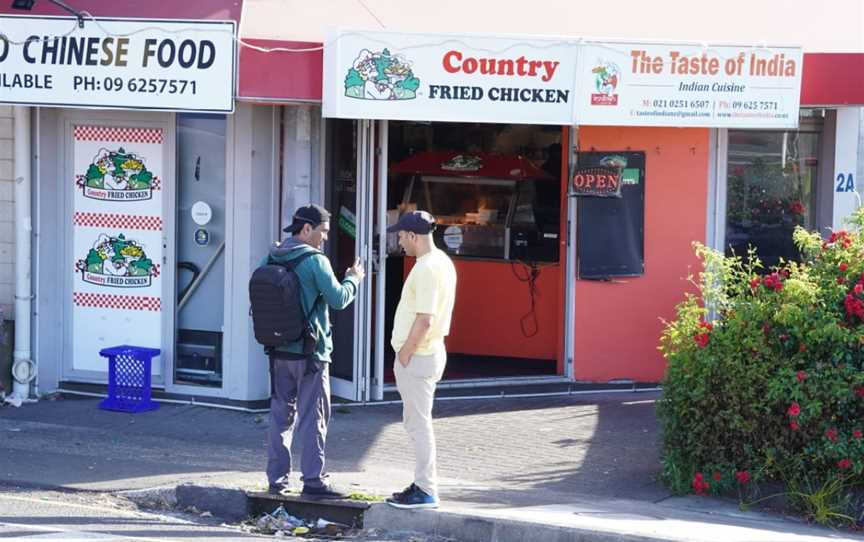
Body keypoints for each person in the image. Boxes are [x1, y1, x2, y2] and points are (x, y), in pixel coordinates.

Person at [262, 204, 365, 499]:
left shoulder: (272, 254)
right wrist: (354, 278)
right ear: (307, 229)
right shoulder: (315, 261)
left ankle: (276, 481)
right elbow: (338, 299)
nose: (326, 238)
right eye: (323, 231)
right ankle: (313, 481)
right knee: (313, 417)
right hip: (311, 353)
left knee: (280, 416)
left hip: (278, 350)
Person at [385, 211, 457, 509]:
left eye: (401, 236)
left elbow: (425, 319)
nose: (399, 242)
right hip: (429, 352)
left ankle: (426, 489)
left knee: (418, 425)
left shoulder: (426, 268)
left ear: (413, 236)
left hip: (419, 355)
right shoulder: (442, 262)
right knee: (418, 422)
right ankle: (421, 483)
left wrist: (404, 353)